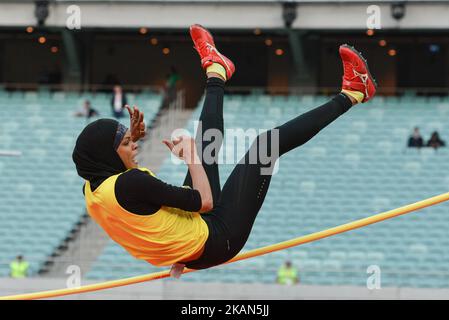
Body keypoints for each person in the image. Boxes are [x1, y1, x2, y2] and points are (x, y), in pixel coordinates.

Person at [72, 25, 376, 274]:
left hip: (192, 247)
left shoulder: (93, 189)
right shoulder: (129, 183)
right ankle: (353, 92)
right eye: (126, 144)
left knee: (206, 146)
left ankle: (216, 69)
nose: (133, 146)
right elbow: (204, 201)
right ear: (107, 156)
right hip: (219, 237)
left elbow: (139, 210)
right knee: (264, 147)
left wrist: (131, 139)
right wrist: (190, 155)